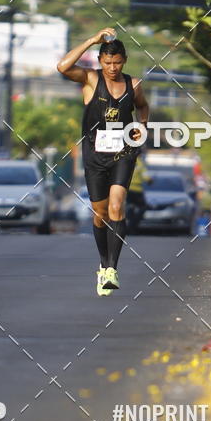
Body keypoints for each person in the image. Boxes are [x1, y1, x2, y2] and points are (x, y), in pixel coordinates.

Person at [57, 28, 149, 295]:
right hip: (95, 156)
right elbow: (62, 66)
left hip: (123, 154)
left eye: (117, 62)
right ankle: (102, 263)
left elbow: (142, 107)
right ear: (99, 60)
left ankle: (112, 269)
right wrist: (90, 40)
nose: (112, 67)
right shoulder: (89, 79)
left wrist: (141, 126)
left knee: (117, 207)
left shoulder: (133, 85)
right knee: (100, 213)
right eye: (107, 62)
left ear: (124, 61)